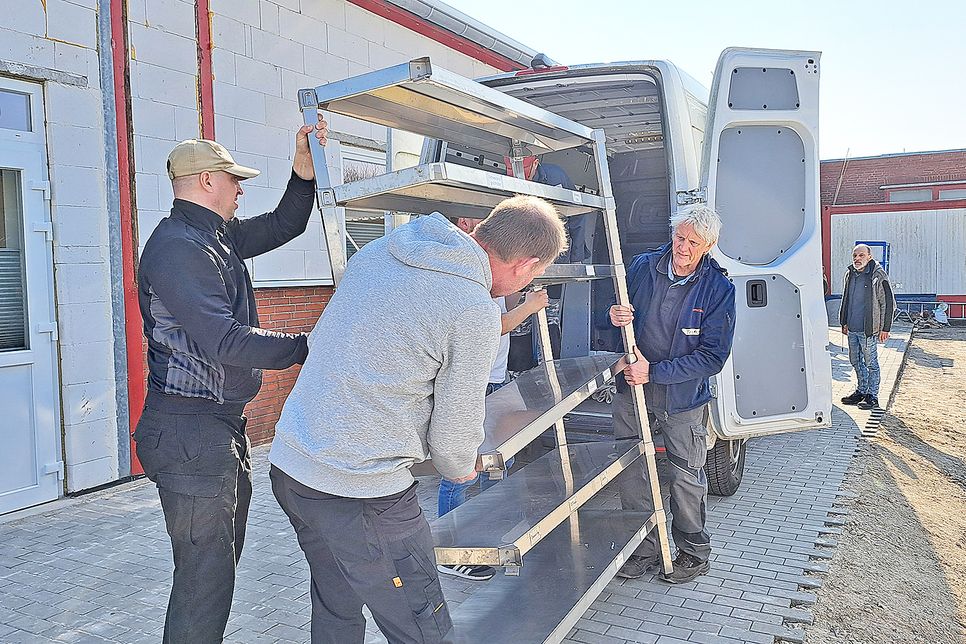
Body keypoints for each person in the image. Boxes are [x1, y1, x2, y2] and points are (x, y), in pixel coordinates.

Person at [268, 195, 568, 644]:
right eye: (534, 275)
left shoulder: (383, 250)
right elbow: (452, 441)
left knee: (337, 606)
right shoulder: (472, 308)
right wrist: (459, 466)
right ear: (526, 265)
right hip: (362, 492)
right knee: (423, 623)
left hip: (292, 465)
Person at [132, 115, 327, 643]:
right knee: (204, 582)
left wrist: (303, 173)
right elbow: (225, 341)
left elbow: (285, 224)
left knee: (215, 573)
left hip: (215, 433)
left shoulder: (213, 237)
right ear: (204, 182)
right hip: (188, 434)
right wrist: (313, 345)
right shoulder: (179, 248)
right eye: (233, 179)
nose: (240, 189)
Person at [606, 204, 736, 584]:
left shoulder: (719, 289)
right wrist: (613, 315)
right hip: (633, 390)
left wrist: (656, 373)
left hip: (682, 399)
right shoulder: (644, 266)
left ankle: (694, 553)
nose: (682, 247)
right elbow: (611, 316)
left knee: (685, 476)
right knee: (634, 470)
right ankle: (644, 549)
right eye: (679, 237)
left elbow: (713, 357)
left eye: (692, 242)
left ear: (708, 246)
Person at [434, 216, 550, 582]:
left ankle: (486, 536)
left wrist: (522, 291)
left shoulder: (491, 271)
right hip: (475, 382)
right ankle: (447, 548)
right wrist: (529, 308)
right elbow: (493, 324)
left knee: (495, 461)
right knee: (460, 468)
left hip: (493, 379)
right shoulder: (468, 274)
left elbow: (501, 304)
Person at [839, 243, 895, 410]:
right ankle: (861, 391)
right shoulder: (850, 274)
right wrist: (844, 322)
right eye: (855, 256)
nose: (857, 259)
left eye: (861, 255)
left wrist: (886, 328)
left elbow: (888, 303)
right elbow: (846, 299)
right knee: (855, 361)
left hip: (869, 329)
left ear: (869, 257)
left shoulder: (878, 275)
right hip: (852, 328)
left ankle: (872, 396)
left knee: (871, 363)